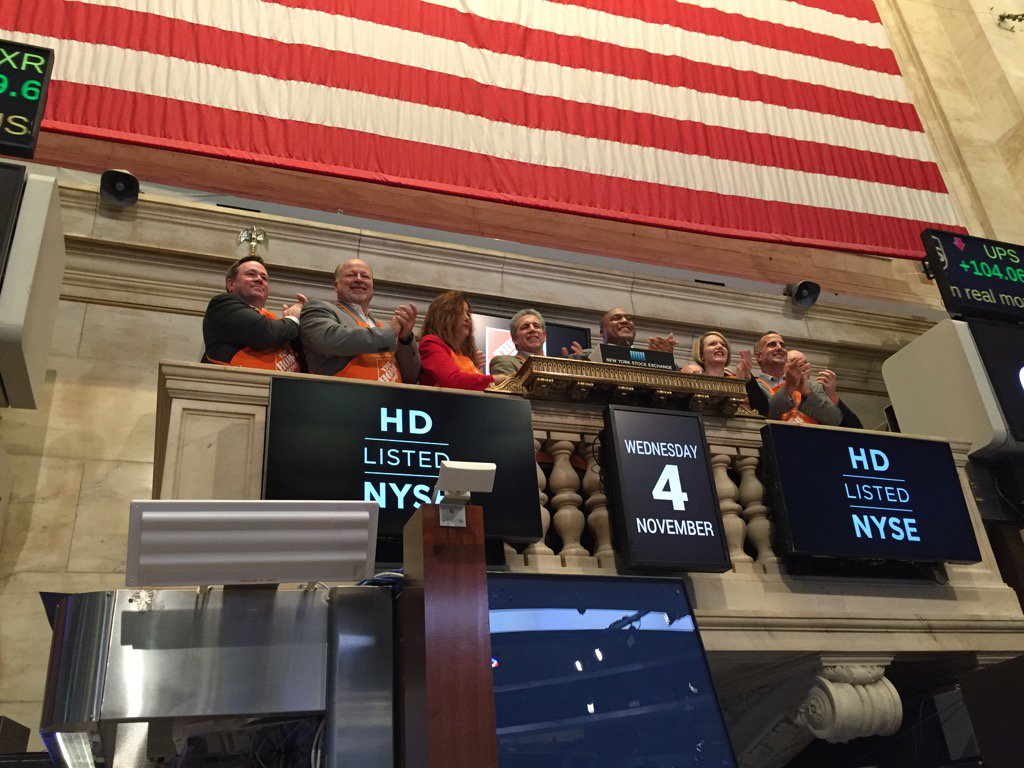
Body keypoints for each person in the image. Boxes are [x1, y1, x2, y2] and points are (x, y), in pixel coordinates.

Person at [301, 258, 420, 383]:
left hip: (389, 401)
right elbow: (329, 341)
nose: (359, 279)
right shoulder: (318, 309)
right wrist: (390, 332)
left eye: (365, 276)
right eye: (351, 275)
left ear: (372, 285)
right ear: (336, 285)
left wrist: (405, 339)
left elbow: (411, 378)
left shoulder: (382, 326)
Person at [201, 255, 306, 372]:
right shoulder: (222, 305)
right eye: (251, 274)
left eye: (264, 278)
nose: (259, 279)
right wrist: (293, 318)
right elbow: (265, 333)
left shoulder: (274, 322)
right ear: (230, 284)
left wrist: (306, 319)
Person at [419, 291, 510, 390]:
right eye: (460, 312)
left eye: (468, 314)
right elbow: (453, 381)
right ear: (445, 316)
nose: (467, 318)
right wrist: (495, 379)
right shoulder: (430, 343)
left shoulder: (465, 357)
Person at [680, 330, 769, 415]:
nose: (719, 346)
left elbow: (763, 411)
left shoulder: (738, 379)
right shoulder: (693, 378)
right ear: (701, 355)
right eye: (712, 344)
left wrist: (748, 378)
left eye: (723, 345)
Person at [563, 307, 678, 359]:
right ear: (602, 332)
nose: (625, 321)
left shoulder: (644, 356)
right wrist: (577, 364)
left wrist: (662, 359)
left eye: (628, 319)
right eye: (616, 318)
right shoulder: (588, 356)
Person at [767, 348, 842, 426]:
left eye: (804, 362)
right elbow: (767, 414)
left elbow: (835, 420)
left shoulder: (816, 388)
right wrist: (788, 388)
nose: (801, 365)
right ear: (783, 367)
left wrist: (807, 393)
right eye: (794, 362)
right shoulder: (772, 386)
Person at [489, 308, 547, 376]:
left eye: (536, 326)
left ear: (544, 336)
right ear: (515, 339)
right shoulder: (504, 362)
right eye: (525, 327)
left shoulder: (557, 366)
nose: (532, 329)